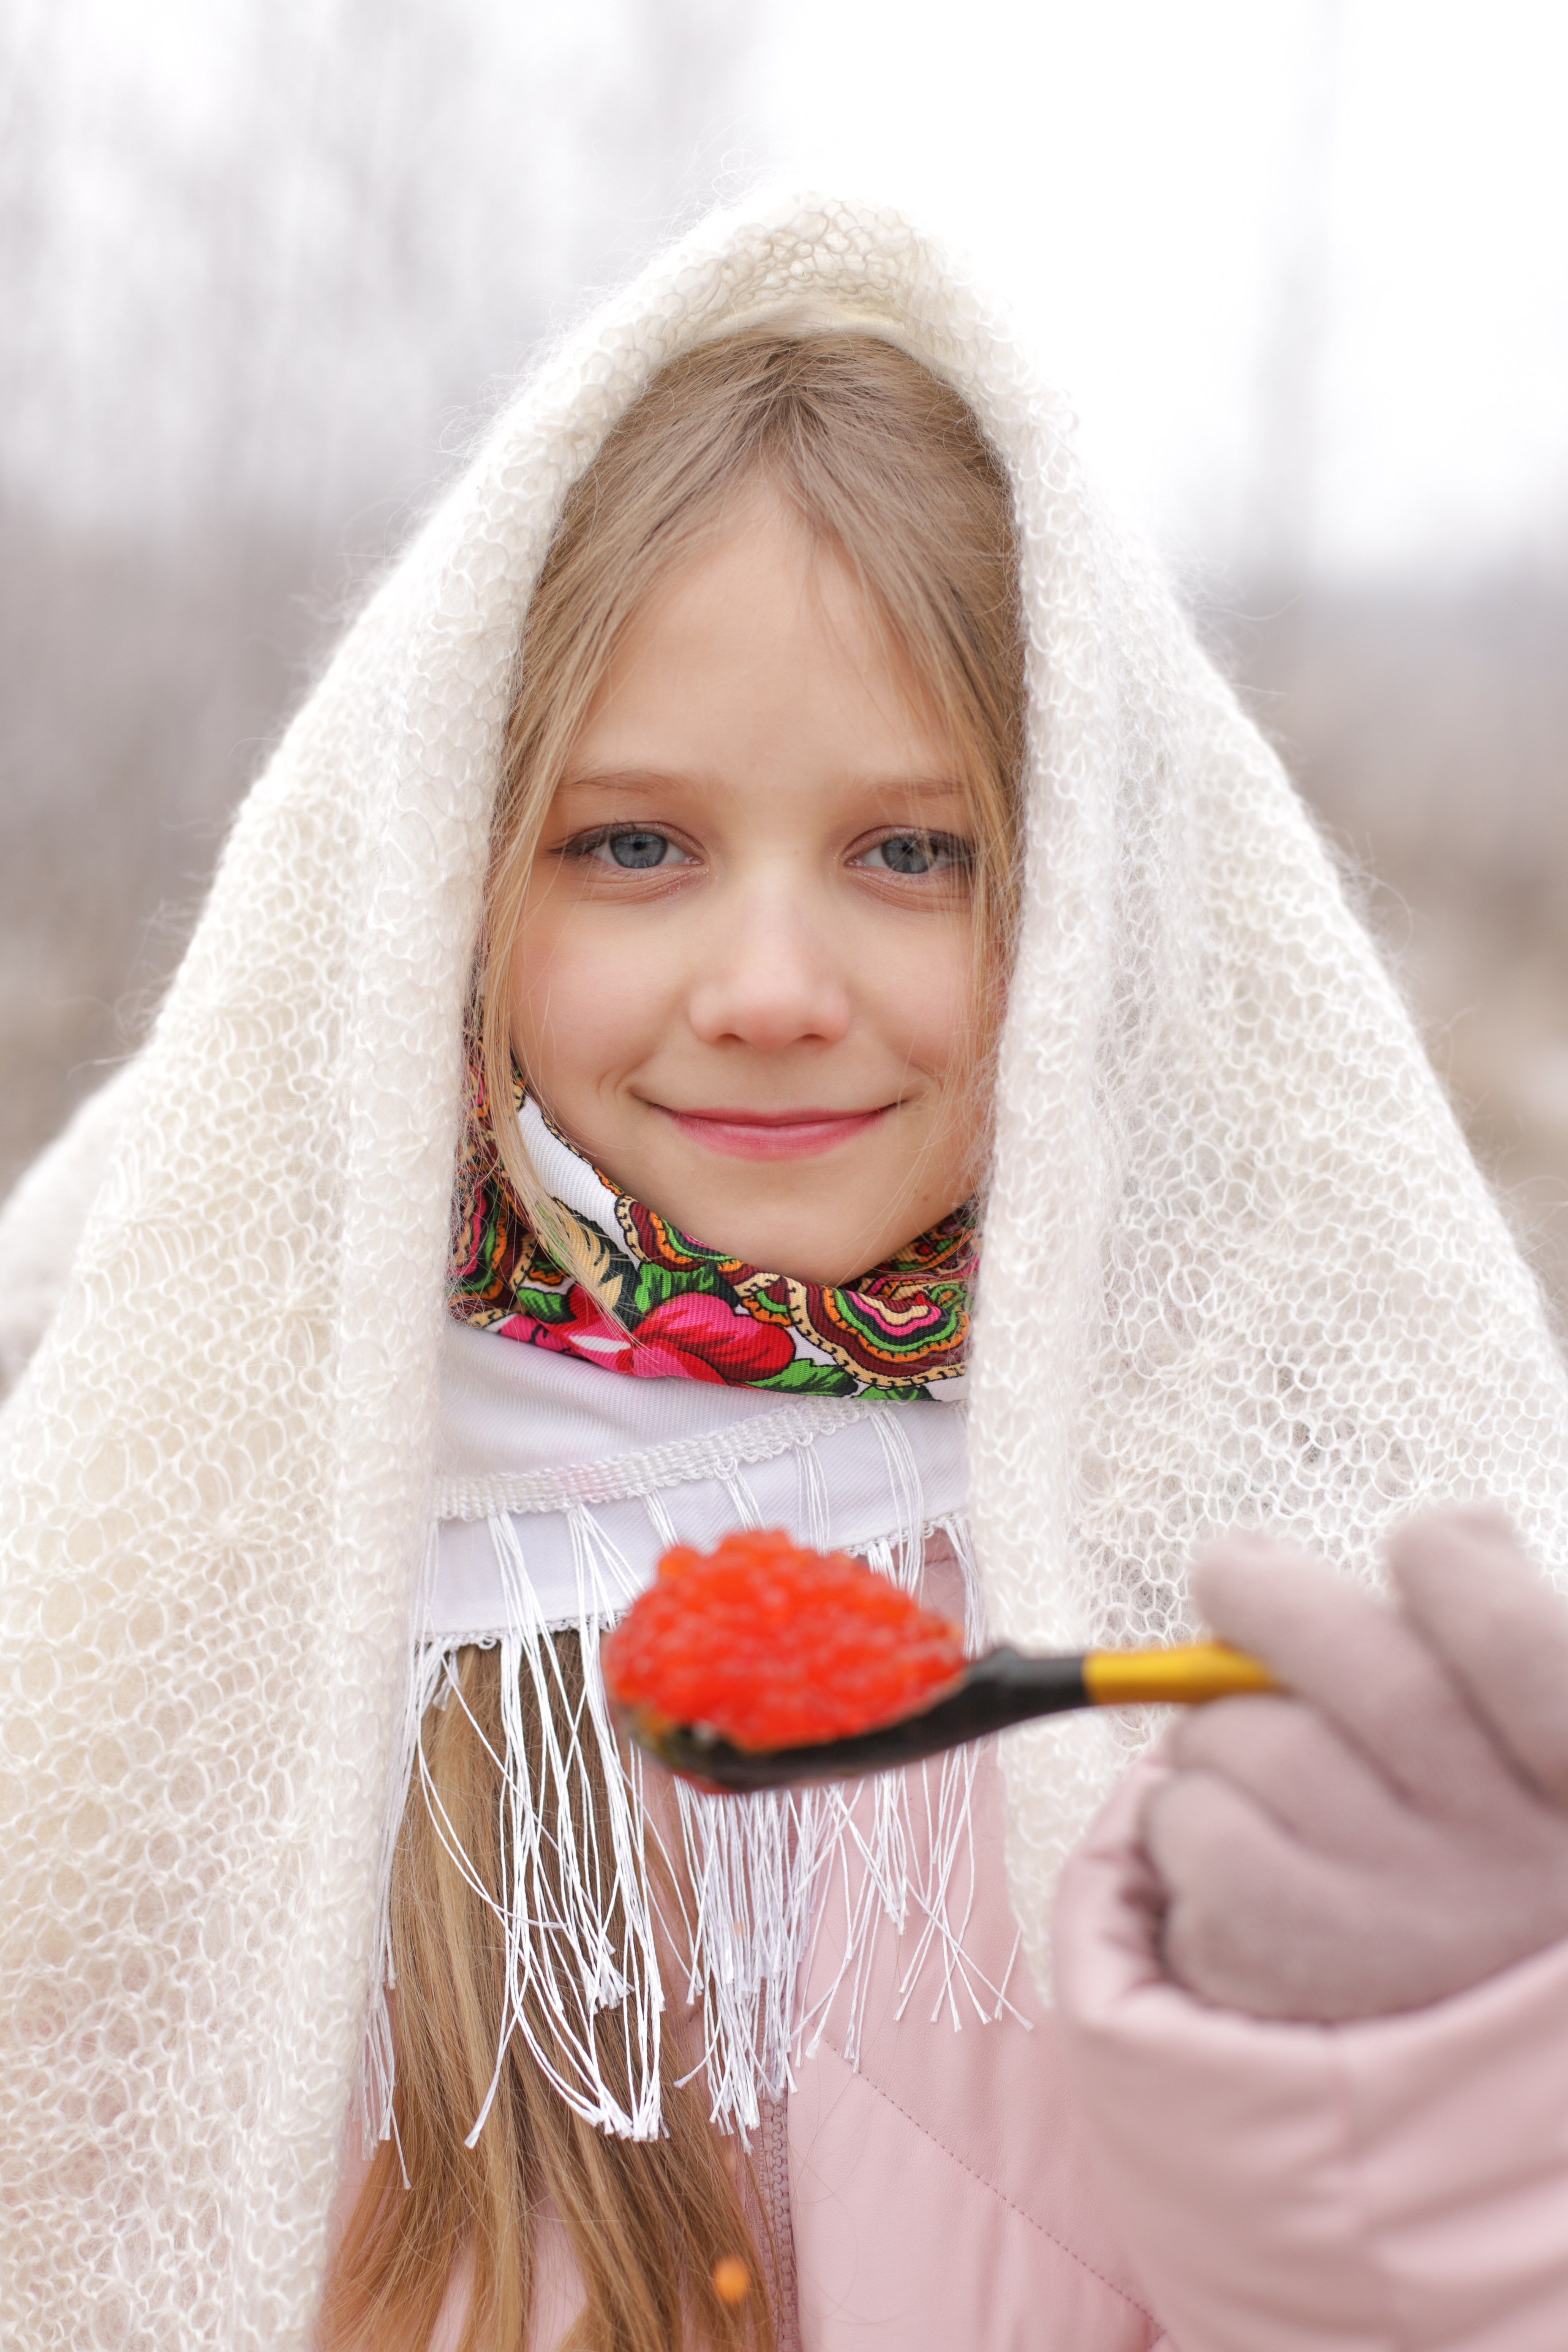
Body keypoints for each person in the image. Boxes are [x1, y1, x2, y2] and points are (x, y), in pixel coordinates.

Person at [2, 192, 1568, 2352]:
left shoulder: (1229, 1614)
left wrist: (1465, 2050)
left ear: (1100, 904)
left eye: (914, 854)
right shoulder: (178, 1614)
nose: (766, 986)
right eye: (631, 845)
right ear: (448, 887)